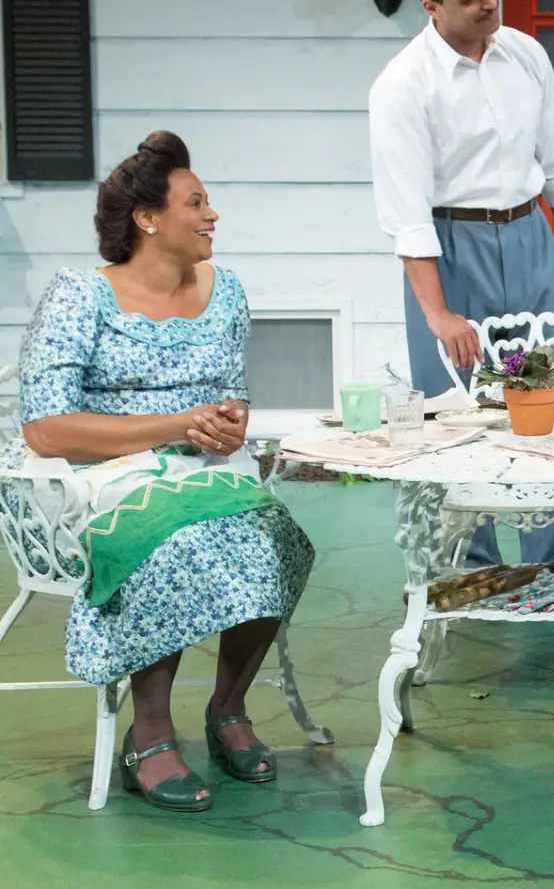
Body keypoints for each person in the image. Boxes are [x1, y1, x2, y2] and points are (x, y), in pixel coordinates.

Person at [3, 132, 315, 811]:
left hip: (198, 475)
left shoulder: (224, 293)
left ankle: (226, 709)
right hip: (94, 480)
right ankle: (147, 735)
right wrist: (176, 427)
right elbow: (47, 430)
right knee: (176, 540)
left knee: (277, 537)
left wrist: (227, 423)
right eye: (196, 203)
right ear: (148, 219)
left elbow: (228, 401)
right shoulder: (79, 298)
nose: (212, 215)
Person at [368, 0, 554, 568]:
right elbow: (406, 215)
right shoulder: (403, 85)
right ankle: (471, 566)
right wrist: (438, 315)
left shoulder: (526, 55)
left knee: (544, 399)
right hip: (449, 249)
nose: (490, 2)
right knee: (456, 412)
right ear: (432, 7)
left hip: (528, 236)